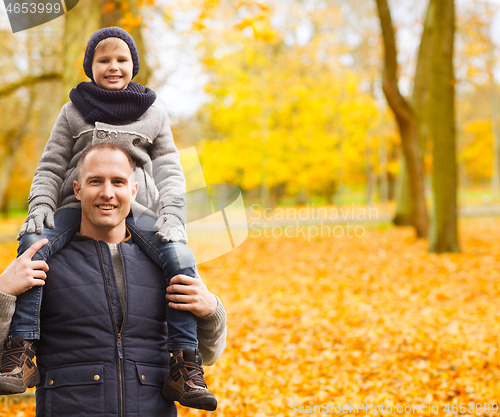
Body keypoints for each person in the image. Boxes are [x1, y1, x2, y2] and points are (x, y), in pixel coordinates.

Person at [1, 27, 216, 410]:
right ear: (90, 66)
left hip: (149, 217)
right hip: (66, 215)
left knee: (181, 256)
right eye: (104, 60)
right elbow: (50, 166)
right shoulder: (73, 111)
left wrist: (210, 306)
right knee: (32, 244)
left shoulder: (152, 112)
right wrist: (39, 210)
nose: (113, 67)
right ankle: (20, 353)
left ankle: (185, 365)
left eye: (122, 60)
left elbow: (170, 169)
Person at [0, 144, 226, 416]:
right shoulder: (42, 262)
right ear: (77, 189)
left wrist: (212, 310)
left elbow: (209, 355)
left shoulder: (165, 264)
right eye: (95, 181)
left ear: (133, 190)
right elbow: (9, 360)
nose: (107, 193)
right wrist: (2, 292)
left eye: (118, 182)